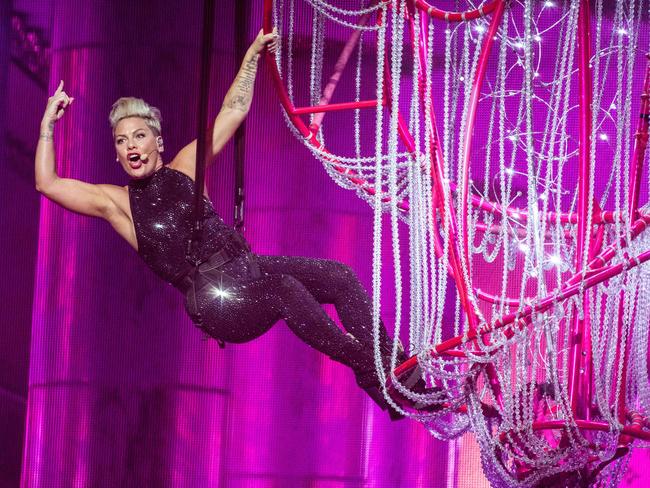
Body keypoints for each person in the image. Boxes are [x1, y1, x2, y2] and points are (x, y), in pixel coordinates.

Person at [35, 29, 411, 420]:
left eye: (139, 136)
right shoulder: (118, 204)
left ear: (157, 142)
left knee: (339, 276)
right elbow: (48, 183)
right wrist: (48, 123)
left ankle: (397, 371)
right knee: (285, 289)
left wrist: (251, 56)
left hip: (248, 269)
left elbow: (232, 111)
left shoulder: (186, 166)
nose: (131, 146)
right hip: (219, 304)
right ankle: (371, 369)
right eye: (121, 140)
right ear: (116, 154)